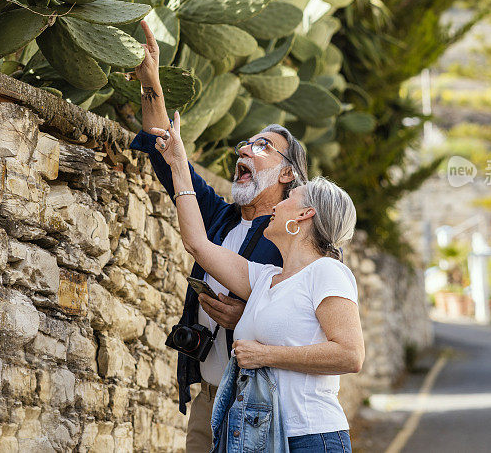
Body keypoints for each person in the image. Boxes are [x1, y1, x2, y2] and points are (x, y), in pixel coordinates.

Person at [127, 21, 309, 452]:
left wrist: (245, 317)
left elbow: (308, 323)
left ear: (287, 173)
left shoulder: (295, 239)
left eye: (262, 146)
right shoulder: (220, 218)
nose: (244, 149)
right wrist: (152, 81)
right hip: (208, 398)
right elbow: (164, 150)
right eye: (246, 143)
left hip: (258, 403)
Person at [152, 114, 365, 452]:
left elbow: (350, 355)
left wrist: (266, 354)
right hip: (261, 431)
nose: (280, 203)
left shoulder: (328, 272)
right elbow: (196, 242)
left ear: (304, 215)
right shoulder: (265, 280)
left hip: (312, 436)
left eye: (290, 199)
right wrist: (178, 162)